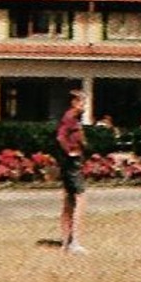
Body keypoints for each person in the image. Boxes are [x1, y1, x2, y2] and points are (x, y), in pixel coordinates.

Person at [55, 89, 89, 254]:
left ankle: (67, 240)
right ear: (74, 102)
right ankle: (74, 242)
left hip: (74, 161)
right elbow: (60, 137)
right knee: (79, 199)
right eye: (82, 102)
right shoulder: (69, 118)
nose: (84, 106)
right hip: (72, 162)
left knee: (69, 200)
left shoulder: (74, 120)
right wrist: (70, 152)